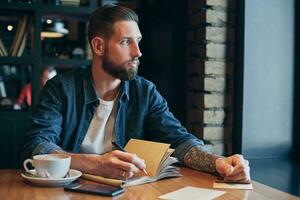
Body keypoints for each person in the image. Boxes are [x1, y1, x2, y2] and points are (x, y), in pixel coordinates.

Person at [19, 5, 250, 183]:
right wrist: (95, 164)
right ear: (98, 46)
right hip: (68, 192)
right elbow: (37, 144)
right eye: (126, 42)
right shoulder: (61, 89)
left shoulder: (144, 92)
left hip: (128, 193)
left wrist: (218, 163)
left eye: (137, 41)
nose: (138, 52)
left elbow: (180, 141)